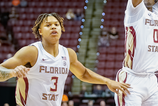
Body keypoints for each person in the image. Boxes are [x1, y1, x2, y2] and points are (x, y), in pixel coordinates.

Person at [0, 13, 130, 106]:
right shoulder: (31, 52)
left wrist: (107, 82)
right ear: (40, 31)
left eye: (56, 24)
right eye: (48, 25)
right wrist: (12, 73)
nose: (53, 27)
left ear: (61, 29)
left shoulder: (68, 54)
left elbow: (83, 73)